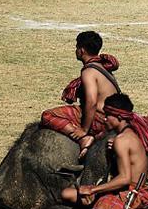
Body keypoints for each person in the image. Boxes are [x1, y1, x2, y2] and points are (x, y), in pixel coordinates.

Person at [60, 94, 148, 209]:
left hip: (131, 193)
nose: (104, 119)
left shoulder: (121, 141)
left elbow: (125, 179)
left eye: (107, 115)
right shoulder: (128, 134)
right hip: (125, 187)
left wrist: (93, 190)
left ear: (119, 116)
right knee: (66, 193)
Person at [40, 31, 121, 159]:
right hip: (114, 116)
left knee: (47, 115)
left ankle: (83, 139)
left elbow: (92, 102)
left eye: (77, 47)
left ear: (81, 50)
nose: (76, 50)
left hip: (100, 118)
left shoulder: (89, 71)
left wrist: (83, 130)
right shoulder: (103, 67)